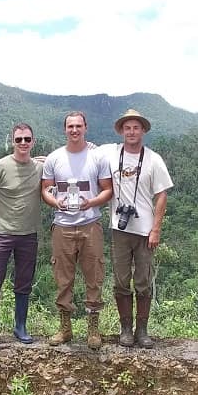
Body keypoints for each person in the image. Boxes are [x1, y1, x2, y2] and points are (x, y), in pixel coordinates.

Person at [41, 111, 113, 350]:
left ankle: (93, 329)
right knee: (63, 279)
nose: (74, 130)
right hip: (63, 225)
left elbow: (107, 190)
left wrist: (91, 202)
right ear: (65, 129)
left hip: (90, 224)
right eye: (70, 126)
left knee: (94, 277)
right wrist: (55, 202)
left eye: (78, 126)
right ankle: (65, 328)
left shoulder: (96, 158)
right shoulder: (54, 158)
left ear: (86, 127)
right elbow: (46, 189)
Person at [102, 109, 172, 348]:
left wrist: (156, 229)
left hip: (144, 230)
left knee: (143, 280)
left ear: (143, 130)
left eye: (136, 127)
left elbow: (161, 195)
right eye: (127, 128)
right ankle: (125, 329)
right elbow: (81, 150)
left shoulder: (154, 159)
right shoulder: (111, 154)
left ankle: (142, 329)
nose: (131, 132)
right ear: (122, 131)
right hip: (119, 229)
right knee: (121, 280)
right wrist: (45, 160)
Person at [0, 122, 44, 348]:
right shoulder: (0, 167)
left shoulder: (40, 167)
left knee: (24, 282)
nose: (23, 143)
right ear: (12, 141)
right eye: (18, 139)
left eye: (27, 139)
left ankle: (20, 326)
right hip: (2, 234)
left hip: (28, 234)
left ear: (33, 141)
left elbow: (64, 161)